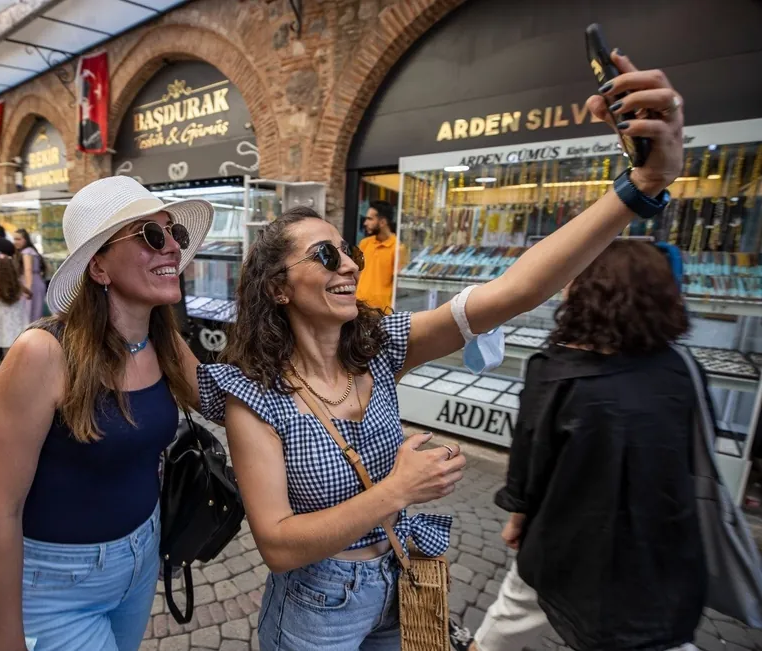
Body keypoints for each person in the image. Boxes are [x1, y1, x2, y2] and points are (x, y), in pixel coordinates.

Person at [195, 53, 685, 651]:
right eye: (326, 257)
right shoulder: (256, 394)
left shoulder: (380, 348)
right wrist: (397, 489)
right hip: (315, 607)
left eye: (348, 250)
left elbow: (514, 291)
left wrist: (641, 189)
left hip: (399, 583)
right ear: (277, 287)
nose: (350, 263)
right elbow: (276, 543)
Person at [0, 176, 208, 651]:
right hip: (59, 582)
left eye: (175, 235)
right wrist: (5, 641)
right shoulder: (42, 352)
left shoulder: (164, 341)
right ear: (98, 266)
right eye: (150, 235)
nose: (171, 249)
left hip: (142, 557)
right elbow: (0, 511)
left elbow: (223, 400)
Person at [472, 241, 704, 651]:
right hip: (658, 533)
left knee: (509, 619)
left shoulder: (557, 372)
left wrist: (518, 518)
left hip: (566, 534)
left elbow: (531, 460)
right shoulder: (682, 369)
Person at [356, 200, 408, 311]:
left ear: (383, 222)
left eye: (370, 219)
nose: (365, 223)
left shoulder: (398, 248)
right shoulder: (364, 243)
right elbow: (357, 273)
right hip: (358, 308)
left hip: (381, 312)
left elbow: (398, 285)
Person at [0, 255, 30, 361]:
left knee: (6, 339)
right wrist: (29, 295)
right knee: (18, 336)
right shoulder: (17, 281)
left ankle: (8, 363)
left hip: (3, 314)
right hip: (17, 313)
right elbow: (27, 292)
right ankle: (21, 360)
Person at [13, 228, 47, 321]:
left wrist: (27, 289)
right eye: (14, 239)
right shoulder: (32, 251)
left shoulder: (26, 252)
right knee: (36, 313)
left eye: (18, 239)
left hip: (31, 284)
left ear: (25, 240)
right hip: (37, 282)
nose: (15, 242)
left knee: (29, 315)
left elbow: (28, 270)